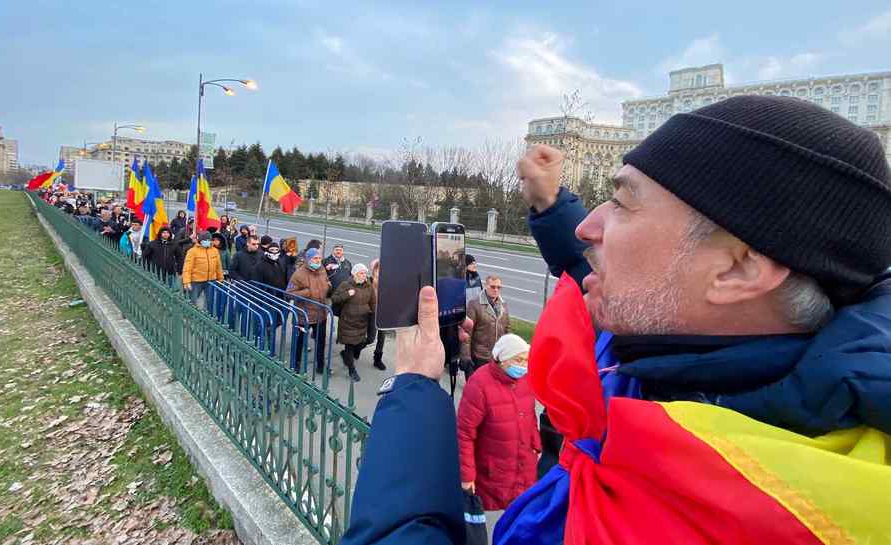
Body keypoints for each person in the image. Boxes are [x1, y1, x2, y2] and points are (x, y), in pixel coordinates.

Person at [341, 96, 891, 545]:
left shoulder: (730, 512)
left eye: (624, 205)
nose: (589, 228)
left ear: (739, 269)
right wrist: (552, 204)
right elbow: (643, 275)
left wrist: (413, 389)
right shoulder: (686, 349)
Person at [457, 334, 539, 513]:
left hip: (523, 466)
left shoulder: (525, 380)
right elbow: (464, 433)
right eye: (518, 360)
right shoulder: (479, 384)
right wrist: (467, 476)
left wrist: (536, 444)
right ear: (502, 359)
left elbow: (530, 415)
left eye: (526, 360)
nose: (523, 366)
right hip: (493, 471)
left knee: (518, 515)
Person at [287, 248, 330, 373]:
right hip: (304, 316)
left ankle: (320, 366)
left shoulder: (322, 270)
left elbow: (325, 281)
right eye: (315, 258)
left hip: (320, 314)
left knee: (321, 342)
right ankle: (296, 365)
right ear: (308, 259)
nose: (318, 260)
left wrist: (328, 285)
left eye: (319, 258)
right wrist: (305, 292)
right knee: (299, 342)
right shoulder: (299, 274)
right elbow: (289, 293)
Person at [332, 263, 377, 382]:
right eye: (361, 273)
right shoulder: (346, 285)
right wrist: (347, 294)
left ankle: (347, 355)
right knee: (350, 345)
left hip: (362, 322)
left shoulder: (369, 286)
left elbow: (373, 303)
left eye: (365, 273)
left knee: (364, 342)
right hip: (348, 322)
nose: (364, 275)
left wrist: (373, 315)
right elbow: (335, 298)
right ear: (354, 274)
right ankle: (351, 370)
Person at [463, 275, 511, 379]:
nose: (496, 290)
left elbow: (507, 330)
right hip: (480, 357)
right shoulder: (474, 304)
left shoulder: (503, 305)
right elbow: (467, 333)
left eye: (498, 287)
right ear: (486, 286)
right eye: (493, 287)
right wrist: (466, 357)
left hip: (497, 357)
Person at [182, 231, 224, 308]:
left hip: (211, 280)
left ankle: (207, 313)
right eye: (205, 240)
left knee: (209, 302)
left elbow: (218, 266)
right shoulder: (192, 251)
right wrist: (186, 282)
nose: (207, 242)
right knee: (192, 301)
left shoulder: (214, 251)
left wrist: (220, 278)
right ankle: (191, 314)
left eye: (208, 240)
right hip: (196, 281)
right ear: (200, 240)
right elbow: (187, 267)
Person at [365, 259, 387, 370]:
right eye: (378, 269)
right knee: (371, 338)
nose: (380, 272)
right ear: (373, 271)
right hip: (372, 313)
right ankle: (355, 349)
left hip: (383, 312)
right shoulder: (368, 282)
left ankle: (377, 359)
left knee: (382, 337)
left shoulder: (387, 283)